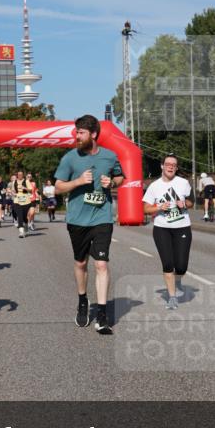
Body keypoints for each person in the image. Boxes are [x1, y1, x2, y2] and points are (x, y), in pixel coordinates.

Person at [54, 114, 124, 334]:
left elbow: (121, 177)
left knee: (101, 264)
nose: (77, 136)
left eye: (81, 132)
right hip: (77, 220)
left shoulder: (110, 157)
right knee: (81, 264)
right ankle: (83, 300)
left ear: (93, 134)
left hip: (102, 217)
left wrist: (111, 182)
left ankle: (102, 315)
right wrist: (77, 182)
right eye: (76, 132)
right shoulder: (70, 159)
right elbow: (57, 187)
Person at [142, 154, 194, 310]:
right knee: (168, 263)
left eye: (174, 165)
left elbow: (192, 202)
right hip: (161, 228)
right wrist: (158, 207)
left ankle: (177, 281)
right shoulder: (154, 186)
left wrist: (183, 203)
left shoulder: (183, 183)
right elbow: (145, 208)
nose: (171, 166)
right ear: (162, 166)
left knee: (181, 266)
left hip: (182, 227)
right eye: (168, 164)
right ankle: (172, 297)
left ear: (176, 168)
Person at [10, 170, 34, 239]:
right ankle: (21, 232)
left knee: (24, 216)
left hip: (26, 200)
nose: (20, 175)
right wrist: (13, 193)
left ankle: (26, 224)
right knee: (19, 215)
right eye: (19, 174)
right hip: (17, 200)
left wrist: (25, 188)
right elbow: (13, 190)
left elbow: (31, 190)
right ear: (17, 175)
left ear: (23, 175)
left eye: (21, 174)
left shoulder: (26, 181)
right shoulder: (14, 182)